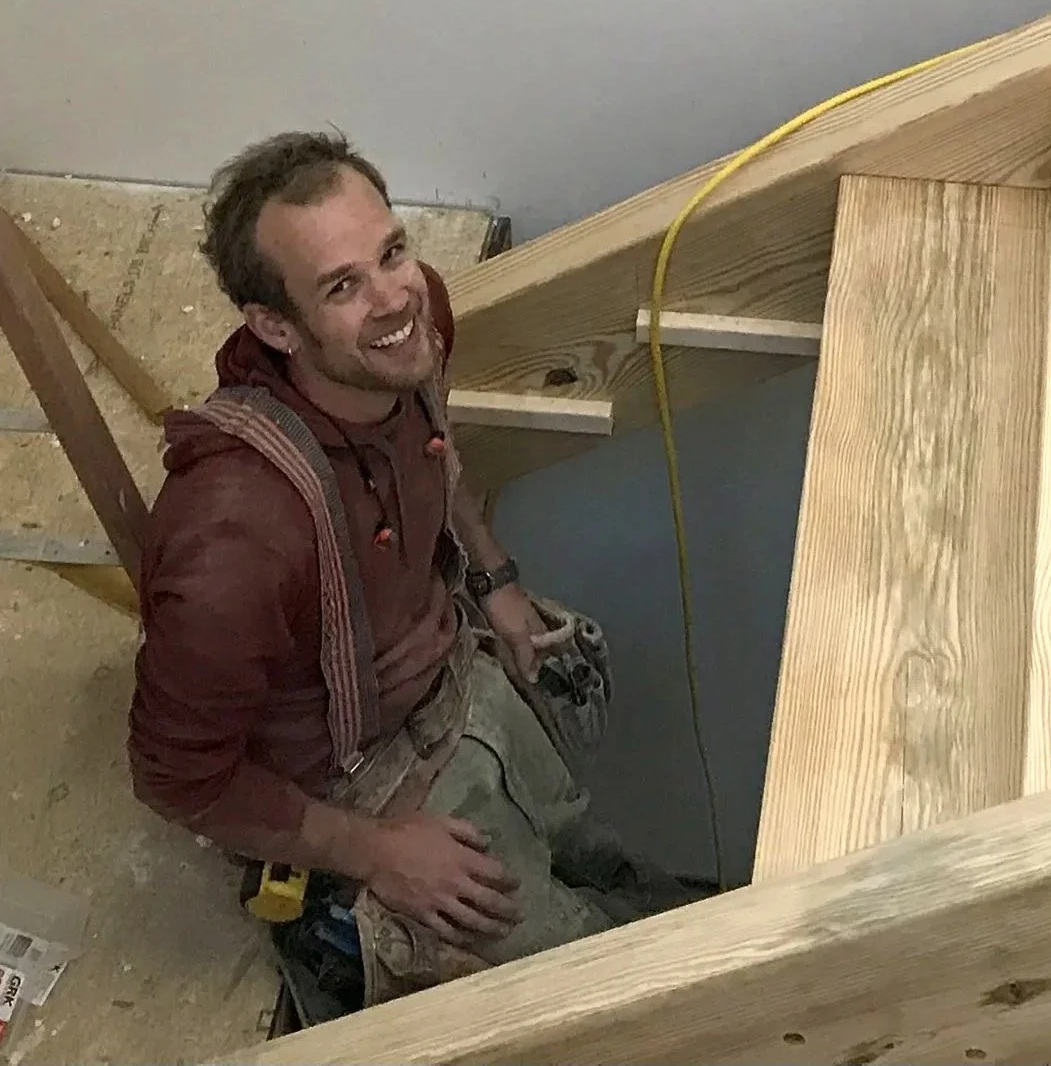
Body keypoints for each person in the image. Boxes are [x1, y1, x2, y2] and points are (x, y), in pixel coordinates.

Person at [126, 130, 690, 1018]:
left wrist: (493, 580)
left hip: (459, 683)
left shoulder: (412, 330)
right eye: (342, 286)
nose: (395, 299)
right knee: (609, 998)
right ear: (274, 325)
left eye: (392, 253)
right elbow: (176, 779)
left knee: (608, 870)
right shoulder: (235, 543)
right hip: (369, 790)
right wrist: (376, 852)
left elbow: (436, 457)